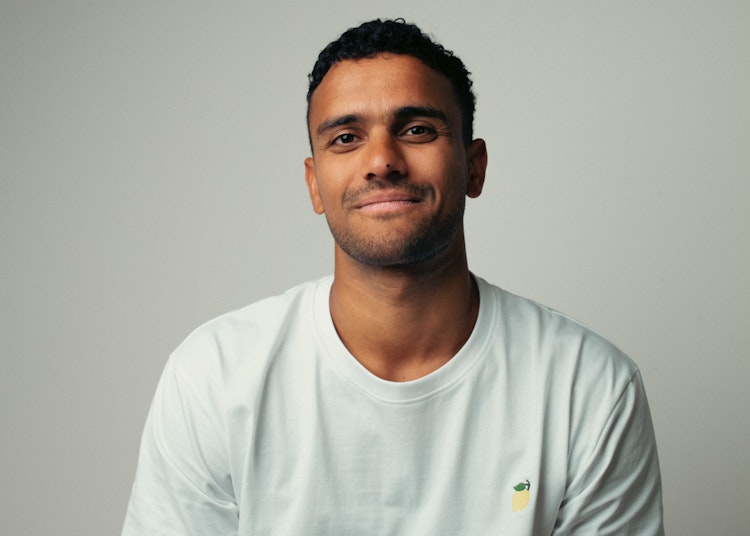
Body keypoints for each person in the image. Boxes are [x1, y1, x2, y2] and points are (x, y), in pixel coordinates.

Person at [122, 19, 663, 535]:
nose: (382, 160)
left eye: (417, 129)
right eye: (345, 138)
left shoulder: (588, 386)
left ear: (474, 167)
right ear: (314, 184)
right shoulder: (214, 379)